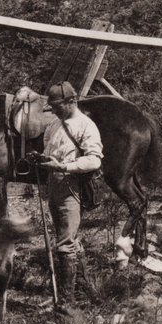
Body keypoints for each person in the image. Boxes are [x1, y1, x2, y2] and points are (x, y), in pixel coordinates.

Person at [35, 81, 103, 307]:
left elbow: (94, 159)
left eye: (57, 106)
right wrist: (42, 160)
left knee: (65, 242)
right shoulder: (55, 124)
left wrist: (64, 167)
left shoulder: (86, 125)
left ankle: (66, 301)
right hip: (54, 185)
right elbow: (49, 151)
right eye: (51, 106)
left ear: (72, 101)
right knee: (68, 238)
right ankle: (84, 292)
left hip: (71, 186)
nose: (53, 110)